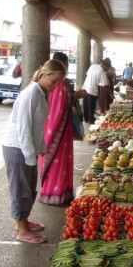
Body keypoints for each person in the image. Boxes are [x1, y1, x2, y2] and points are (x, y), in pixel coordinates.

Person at [2, 59, 66, 244]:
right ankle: (22, 230)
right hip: (17, 147)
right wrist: (30, 155)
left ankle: (23, 222)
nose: (55, 86)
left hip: (27, 148)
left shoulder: (40, 92)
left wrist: (40, 147)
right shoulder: (31, 93)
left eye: (58, 83)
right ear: (45, 74)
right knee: (20, 189)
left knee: (29, 189)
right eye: (53, 81)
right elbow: (23, 127)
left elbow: (37, 125)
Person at [39, 52, 86, 207]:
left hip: (56, 128)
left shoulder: (55, 82)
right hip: (59, 129)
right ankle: (56, 194)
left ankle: (60, 193)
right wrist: (75, 97)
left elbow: (60, 105)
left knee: (60, 162)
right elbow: (60, 107)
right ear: (64, 64)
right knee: (58, 162)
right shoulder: (61, 82)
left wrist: (73, 97)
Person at [82, 58, 111, 124]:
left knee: (86, 105)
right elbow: (105, 85)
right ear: (105, 66)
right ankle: (91, 119)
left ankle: (86, 118)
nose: (107, 70)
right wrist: (111, 94)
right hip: (92, 89)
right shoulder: (101, 71)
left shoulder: (93, 66)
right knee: (91, 106)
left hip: (85, 87)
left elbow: (87, 74)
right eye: (108, 68)